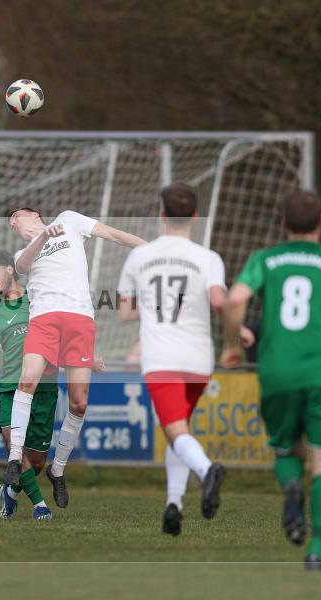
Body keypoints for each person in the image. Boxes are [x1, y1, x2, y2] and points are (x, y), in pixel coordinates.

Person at [220, 190, 321, 571]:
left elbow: (235, 300)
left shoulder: (266, 259)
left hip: (278, 373)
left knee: (287, 450)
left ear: (283, 224)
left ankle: (292, 490)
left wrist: (231, 347)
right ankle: (316, 551)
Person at [117, 182, 251, 536]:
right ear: (194, 216)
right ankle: (173, 507)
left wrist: (148, 305)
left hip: (161, 357)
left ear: (161, 215)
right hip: (198, 359)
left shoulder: (139, 257)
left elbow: (126, 313)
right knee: (178, 430)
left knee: (175, 430)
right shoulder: (208, 258)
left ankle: (208, 471)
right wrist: (240, 332)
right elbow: (222, 303)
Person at [0, 250, 102, 520]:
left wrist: (86, 359)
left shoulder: (41, 299)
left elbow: (64, 336)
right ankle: (40, 505)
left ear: (9, 269)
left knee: (38, 461)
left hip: (45, 388)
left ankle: (10, 491)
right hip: (11, 387)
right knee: (11, 443)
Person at [5, 207, 145, 507]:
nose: (13, 221)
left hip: (79, 319)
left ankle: (58, 470)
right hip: (43, 319)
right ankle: (15, 458)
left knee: (79, 402)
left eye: (17, 215)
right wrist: (43, 235)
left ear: (35, 213)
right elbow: (24, 265)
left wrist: (151, 247)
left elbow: (114, 234)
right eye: (10, 221)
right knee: (27, 380)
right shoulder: (21, 253)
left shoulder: (68, 220)